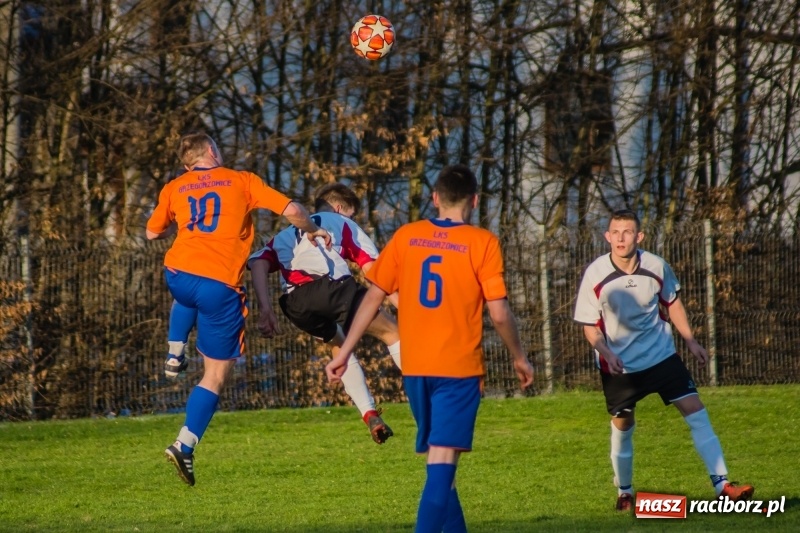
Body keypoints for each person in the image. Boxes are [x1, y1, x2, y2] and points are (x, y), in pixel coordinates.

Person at [325, 165, 535, 533]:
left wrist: (344, 352)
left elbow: (373, 296)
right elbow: (499, 313)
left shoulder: (408, 236)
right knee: (442, 462)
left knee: (441, 467)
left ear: (435, 198)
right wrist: (519, 356)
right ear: (474, 200)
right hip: (458, 368)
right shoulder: (482, 242)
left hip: (416, 367)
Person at [146, 132, 330, 486]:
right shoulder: (242, 181)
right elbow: (292, 210)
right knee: (215, 375)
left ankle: (174, 352)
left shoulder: (174, 186)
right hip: (219, 286)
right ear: (213, 151)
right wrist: (313, 229)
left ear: (188, 164)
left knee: (186, 293)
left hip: (177, 272)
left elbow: (153, 233)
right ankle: (184, 445)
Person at [573, 208, 754, 511]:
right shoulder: (595, 274)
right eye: (615, 232)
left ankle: (723, 486)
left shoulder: (656, 266)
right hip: (621, 367)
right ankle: (625, 492)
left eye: (627, 231)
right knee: (623, 426)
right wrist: (607, 353)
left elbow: (673, 303)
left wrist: (691, 340)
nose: (620, 238)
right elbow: (589, 326)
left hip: (661, 356)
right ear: (607, 236)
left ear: (639, 236)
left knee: (696, 410)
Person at [247, 183, 401, 444]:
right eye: (351, 215)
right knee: (394, 333)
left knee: (340, 346)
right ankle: (432, 401)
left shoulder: (287, 232)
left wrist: (265, 308)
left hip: (294, 304)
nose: (351, 220)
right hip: (330, 288)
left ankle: (369, 413)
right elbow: (375, 272)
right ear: (340, 209)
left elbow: (257, 262)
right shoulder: (341, 223)